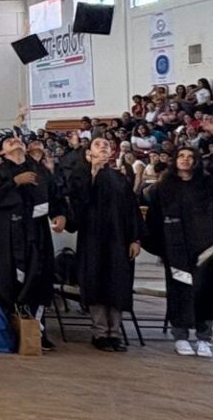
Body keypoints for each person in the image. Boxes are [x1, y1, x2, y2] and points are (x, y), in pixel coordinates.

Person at [144, 122, 213, 357]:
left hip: (205, 248)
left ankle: (204, 338)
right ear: (175, 160)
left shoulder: (206, 184)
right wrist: (160, 248)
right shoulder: (162, 188)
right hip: (176, 249)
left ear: (196, 161)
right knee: (179, 291)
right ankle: (181, 336)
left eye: (190, 156)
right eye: (181, 156)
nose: (185, 160)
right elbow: (154, 220)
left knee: (206, 290)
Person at [0, 112, 63, 351]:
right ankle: (9, 329)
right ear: (1, 152)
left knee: (38, 277)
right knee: (7, 280)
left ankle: (36, 331)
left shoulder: (39, 169)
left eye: (17, 140)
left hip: (36, 231)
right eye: (9, 142)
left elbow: (54, 194)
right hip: (8, 233)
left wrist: (60, 214)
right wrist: (15, 182)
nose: (15, 142)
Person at [63, 136, 143, 351]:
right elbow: (78, 205)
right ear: (89, 153)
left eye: (106, 145)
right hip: (93, 239)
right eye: (97, 145)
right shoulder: (79, 175)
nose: (103, 147)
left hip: (119, 239)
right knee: (96, 282)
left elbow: (131, 210)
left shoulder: (119, 178)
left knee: (117, 283)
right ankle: (99, 332)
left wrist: (135, 238)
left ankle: (114, 333)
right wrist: (93, 172)